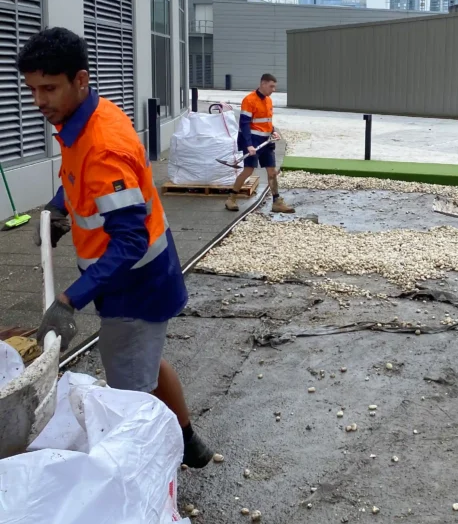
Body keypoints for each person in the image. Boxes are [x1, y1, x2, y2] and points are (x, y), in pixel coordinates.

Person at [17, 27, 213, 468]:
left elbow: (130, 239)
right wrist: (58, 209)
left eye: (49, 88)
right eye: (32, 89)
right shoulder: (82, 119)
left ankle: (147, 480)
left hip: (136, 283)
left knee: (128, 395)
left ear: (80, 80)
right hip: (137, 276)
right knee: (148, 363)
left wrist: (70, 299)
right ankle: (189, 442)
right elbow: (78, 180)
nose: (39, 101)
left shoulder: (104, 146)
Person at [225, 73, 295, 213]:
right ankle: (231, 199)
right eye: (271, 86)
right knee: (248, 171)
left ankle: (277, 202)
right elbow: (244, 124)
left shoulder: (268, 100)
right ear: (263, 84)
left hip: (266, 142)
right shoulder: (249, 100)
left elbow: (267, 121)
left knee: (272, 172)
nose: (273, 89)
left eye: (274, 86)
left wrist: (273, 131)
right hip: (252, 141)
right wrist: (249, 145)